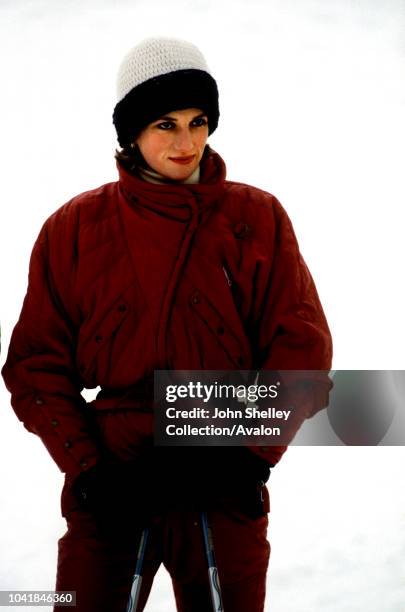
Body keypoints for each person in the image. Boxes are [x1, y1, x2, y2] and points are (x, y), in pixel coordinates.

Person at [1, 37, 333, 611]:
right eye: (165, 124)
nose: (187, 143)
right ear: (131, 132)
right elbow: (36, 366)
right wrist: (89, 469)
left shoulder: (256, 218)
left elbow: (300, 349)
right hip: (115, 476)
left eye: (199, 121)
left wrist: (249, 457)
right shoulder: (75, 228)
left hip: (222, 468)